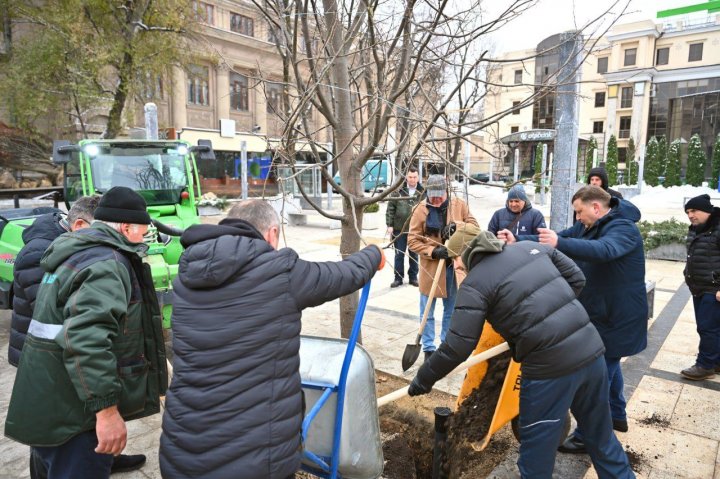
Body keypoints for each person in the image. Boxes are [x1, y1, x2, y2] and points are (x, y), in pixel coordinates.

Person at [159, 199, 384, 479]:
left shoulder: (187, 274)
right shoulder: (280, 272)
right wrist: (373, 255)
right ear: (272, 233)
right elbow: (343, 275)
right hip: (254, 460)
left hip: (182, 450)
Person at [409, 231, 634, 479]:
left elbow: (457, 347)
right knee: (601, 438)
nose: (456, 266)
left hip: (549, 373)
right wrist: (551, 316)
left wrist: (424, 379)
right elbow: (576, 278)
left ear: (464, 254)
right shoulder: (528, 248)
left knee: (535, 458)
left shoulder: (475, 285)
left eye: (454, 260)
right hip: (591, 353)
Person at [4, 186, 168, 479]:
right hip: (74, 418)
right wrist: (106, 412)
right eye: (142, 232)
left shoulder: (77, 253)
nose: (143, 240)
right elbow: (85, 339)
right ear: (127, 227)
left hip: (51, 402)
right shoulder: (106, 264)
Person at [499, 185, 647, 453]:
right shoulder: (589, 225)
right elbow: (556, 237)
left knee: (599, 376)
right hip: (601, 312)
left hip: (617, 316)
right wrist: (519, 240)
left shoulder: (624, 228)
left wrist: (560, 243)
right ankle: (617, 416)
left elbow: (604, 250)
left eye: (579, 212)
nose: (577, 218)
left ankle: (587, 435)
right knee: (609, 369)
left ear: (596, 207)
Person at [408, 174, 477, 361]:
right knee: (427, 311)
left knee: (451, 310)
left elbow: (474, 227)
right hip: (430, 269)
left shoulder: (459, 205)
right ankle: (428, 349)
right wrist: (432, 251)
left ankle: (445, 345)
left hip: (453, 268)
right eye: (433, 195)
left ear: (446, 191)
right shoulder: (420, 210)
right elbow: (412, 241)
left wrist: (457, 226)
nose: (436, 199)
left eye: (439, 195)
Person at [681, 194, 720, 380]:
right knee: (711, 326)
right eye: (688, 211)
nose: (690, 215)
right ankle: (716, 361)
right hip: (699, 285)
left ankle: (705, 365)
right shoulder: (696, 229)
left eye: (694, 210)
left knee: (707, 327)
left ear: (706, 210)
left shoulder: (718, 228)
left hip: (713, 287)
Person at [386, 166, 424, 288]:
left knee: (414, 255)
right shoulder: (398, 191)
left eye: (414, 177)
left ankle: (413, 277)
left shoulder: (423, 192)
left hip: (415, 230)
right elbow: (390, 209)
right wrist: (389, 225)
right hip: (399, 229)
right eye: (410, 177)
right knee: (399, 254)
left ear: (418, 178)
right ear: (406, 177)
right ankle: (398, 278)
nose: (412, 179)